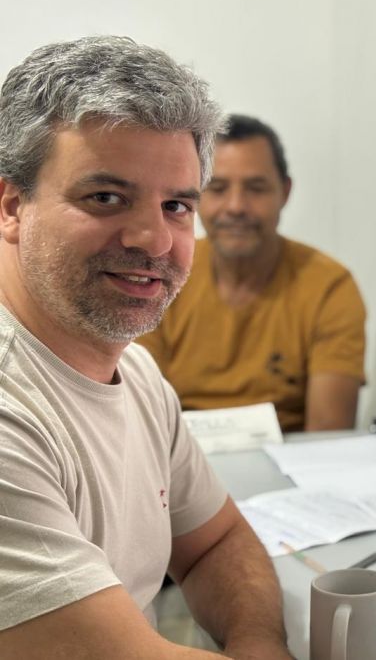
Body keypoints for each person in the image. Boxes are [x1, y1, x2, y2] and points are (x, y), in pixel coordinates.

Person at [0, 37, 292, 659]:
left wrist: (259, 643)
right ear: (11, 206)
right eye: (106, 198)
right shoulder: (9, 412)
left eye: (176, 205)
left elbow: (216, 543)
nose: (154, 240)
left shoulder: (134, 369)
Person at [137, 114, 366, 433]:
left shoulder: (329, 287)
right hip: (177, 454)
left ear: (284, 192)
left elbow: (328, 434)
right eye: (217, 188)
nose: (236, 207)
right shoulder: (161, 274)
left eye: (256, 189)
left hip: (290, 458)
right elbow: (140, 416)